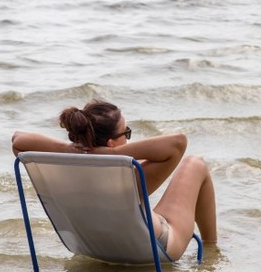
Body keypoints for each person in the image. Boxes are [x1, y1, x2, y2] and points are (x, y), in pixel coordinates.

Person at [11, 100, 217, 259]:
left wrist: (68, 149)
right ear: (111, 143)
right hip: (153, 248)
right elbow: (178, 143)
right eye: (126, 133)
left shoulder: (59, 171)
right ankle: (212, 246)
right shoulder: (128, 177)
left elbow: (18, 140)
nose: (128, 138)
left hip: (92, 248)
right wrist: (115, 153)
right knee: (195, 163)